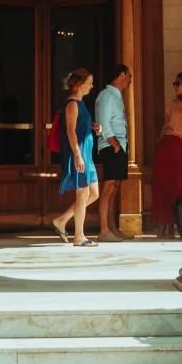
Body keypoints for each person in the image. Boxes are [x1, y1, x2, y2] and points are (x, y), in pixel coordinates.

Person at [51, 67, 100, 247]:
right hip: (79, 153)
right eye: (89, 83)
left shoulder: (80, 102)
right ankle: (79, 236)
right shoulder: (72, 104)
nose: (91, 86)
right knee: (83, 192)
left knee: (93, 193)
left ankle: (62, 220)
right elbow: (70, 131)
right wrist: (78, 156)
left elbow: (79, 126)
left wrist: (93, 127)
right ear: (79, 84)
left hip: (86, 154)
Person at [93, 64, 132, 240]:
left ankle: (112, 228)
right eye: (129, 76)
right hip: (111, 147)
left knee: (114, 188)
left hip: (119, 146)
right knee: (108, 187)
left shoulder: (116, 96)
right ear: (122, 75)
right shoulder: (107, 95)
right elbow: (103, 122)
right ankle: (104, 230)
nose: (130, 79)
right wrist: (114, 143)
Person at [151, 71, 182, 239]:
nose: (176, 86)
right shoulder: (171, 104)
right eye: (175, 83)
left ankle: (179, 224)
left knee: (179, 186)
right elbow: (165, 125)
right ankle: (165, 224)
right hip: (168, 146)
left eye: (178, 83)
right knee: (164, 186)